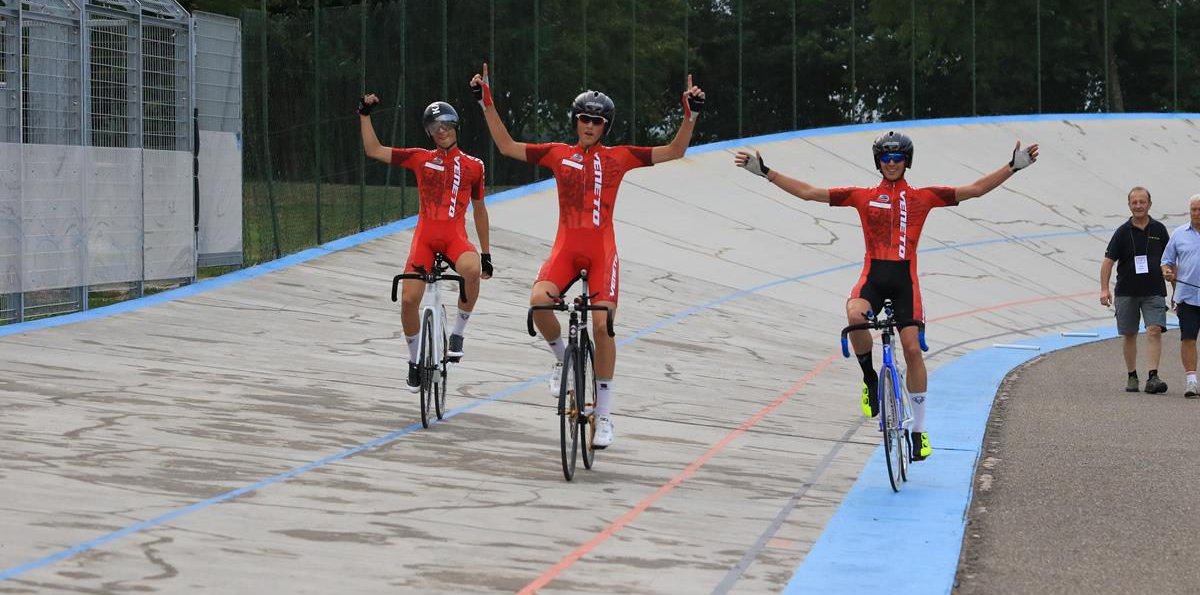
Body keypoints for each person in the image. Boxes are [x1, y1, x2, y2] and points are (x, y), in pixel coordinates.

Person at [735, 130, 1038, 462]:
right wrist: (766, 172)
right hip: (873, 279)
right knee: (854, 316)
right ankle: (869, 377)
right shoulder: (862, 196)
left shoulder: (924, 196)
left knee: (911, 349)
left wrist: (1013, 167)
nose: (891, 164)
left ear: (907, 162)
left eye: (897, 159)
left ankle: (919, 432)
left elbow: (975, 190)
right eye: (885, 158)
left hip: (905, 282)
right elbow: (808, 193)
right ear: (878, 162)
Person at [470, 62, 705, 450]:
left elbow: (676, 150)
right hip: (565, 249)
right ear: (576, 122)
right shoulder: (557, 154)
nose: (589, 125)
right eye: (583, 119)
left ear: (605, 126)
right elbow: (506, 146)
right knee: (538, 304)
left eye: (596, 121)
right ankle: (562, 358)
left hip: (601, 253)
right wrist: (486, 104)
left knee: (602, 325)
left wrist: (690, 115)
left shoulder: (622, 157)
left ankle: (606, 413)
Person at [358, 94, 492, 393]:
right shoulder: (421, 158)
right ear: (429, 133)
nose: (440, 130)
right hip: (425, 239)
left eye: (445, 124)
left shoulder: (474, 166)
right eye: (434, 127)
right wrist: (364, 114)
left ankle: (457, 333)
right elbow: (374, 150)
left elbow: (480, 210)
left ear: (456, 126)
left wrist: (486, 254)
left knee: (470, 270)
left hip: (455, 238)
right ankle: (414, 360)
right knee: (408, 301)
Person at [1100, 187, 1171, 394]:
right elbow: (1107, 263)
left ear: (1149, 204)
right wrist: (1105, 289)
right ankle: (1132, 375)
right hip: (1127, 291)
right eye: (1134, 202)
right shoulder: (1122, 232)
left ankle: (1153, 376)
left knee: (1154, 330)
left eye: (1142, 202)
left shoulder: (1159, 230)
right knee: (1129, 333)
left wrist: (1176, 289)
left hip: (1154, 290)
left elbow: (1170, 261)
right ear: (1129, 205)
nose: (1138, 206)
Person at [1161, 194, 1200, 398]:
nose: (1196, 213)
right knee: (1188, 339)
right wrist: (1167, 271)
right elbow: (1166, 261)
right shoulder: (1179, 234)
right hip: (1187, 297)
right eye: (1193, 209)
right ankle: (1191, 382)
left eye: (1199, 209)